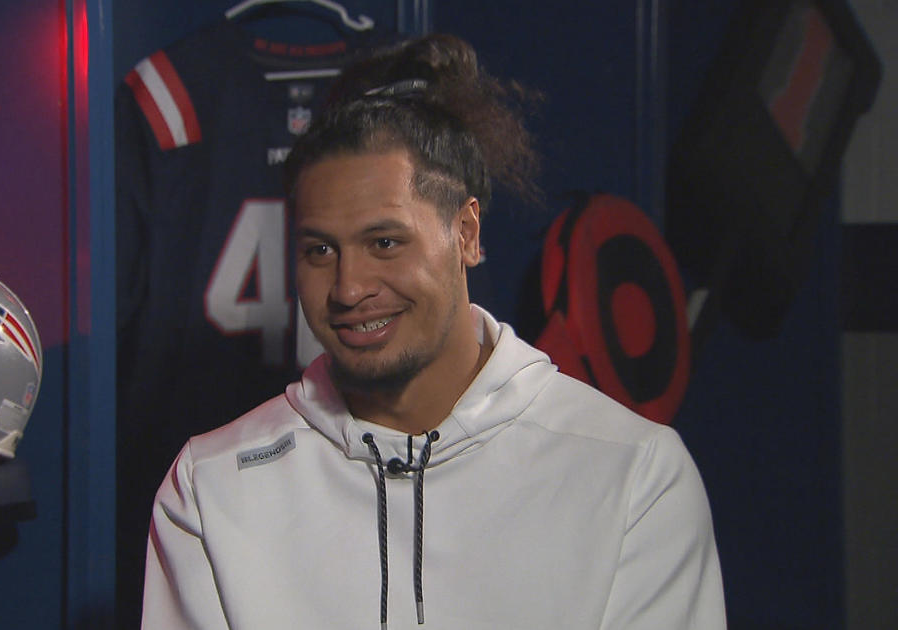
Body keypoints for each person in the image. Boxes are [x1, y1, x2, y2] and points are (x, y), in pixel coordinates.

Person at [141, 33, 725, 630]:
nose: (347, 288)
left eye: (385, 242)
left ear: (466, 234)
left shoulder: (635, 474)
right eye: (320, 250)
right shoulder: (210, 488)